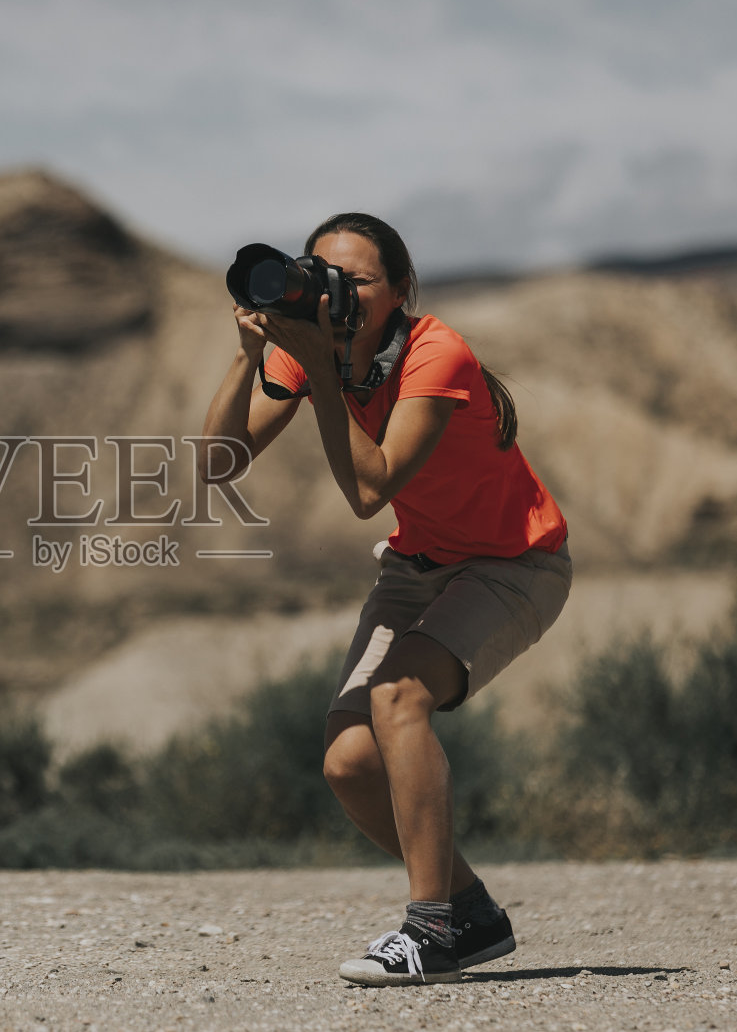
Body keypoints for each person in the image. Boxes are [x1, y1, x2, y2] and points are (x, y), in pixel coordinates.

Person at [198, 213, 571, 986]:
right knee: (348, 763)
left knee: (399, 697)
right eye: (325, 274)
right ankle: (471, 911)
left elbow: (370, 489)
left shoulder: (437, 352)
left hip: (514, 564)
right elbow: (217, 465)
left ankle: (430, 930)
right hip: (419, 565)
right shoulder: (309, 354)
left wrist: (322, 376)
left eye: (360, 280)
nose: (339, 293)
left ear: (401, 290)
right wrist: (250, 358)